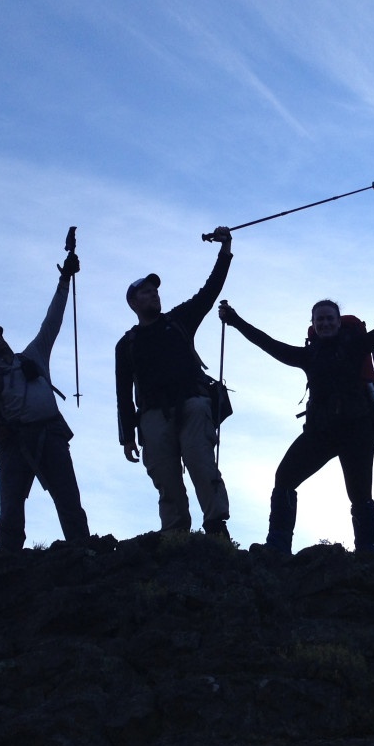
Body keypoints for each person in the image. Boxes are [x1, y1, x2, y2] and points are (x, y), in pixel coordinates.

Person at [219, 283, 374, 554]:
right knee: (285, 477)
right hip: (322, 432)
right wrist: (235, 321)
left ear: (338, 322)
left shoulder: (357, 346)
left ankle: (367, 552)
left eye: (329, 318)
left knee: (359, 494)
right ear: (313, 324)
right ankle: (278, 545)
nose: (325, 323)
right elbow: (269, 344)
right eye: (320, 319)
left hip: (357, 432)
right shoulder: (308, 356)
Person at [116, 226, 234, 539]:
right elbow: (123, 393)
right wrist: (127, 436)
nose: (153, 294)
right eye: (145, 292)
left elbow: (209, 291)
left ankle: (216, 528)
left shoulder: (179, 319)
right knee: (165, 478)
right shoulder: (126, 344)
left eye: (154, 290)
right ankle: (175, 535)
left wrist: (225, 250)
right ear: (133, 302)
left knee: (202, 464)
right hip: (152, 415)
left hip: (192, 403)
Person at [0, 249, 91, 551]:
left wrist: (65, 279)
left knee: (69, 499)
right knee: (11, 510)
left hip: (51, 434)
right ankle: (8, 563)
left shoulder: (33, 356)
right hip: (14, 445)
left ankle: (84, 553)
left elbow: (52, 321)